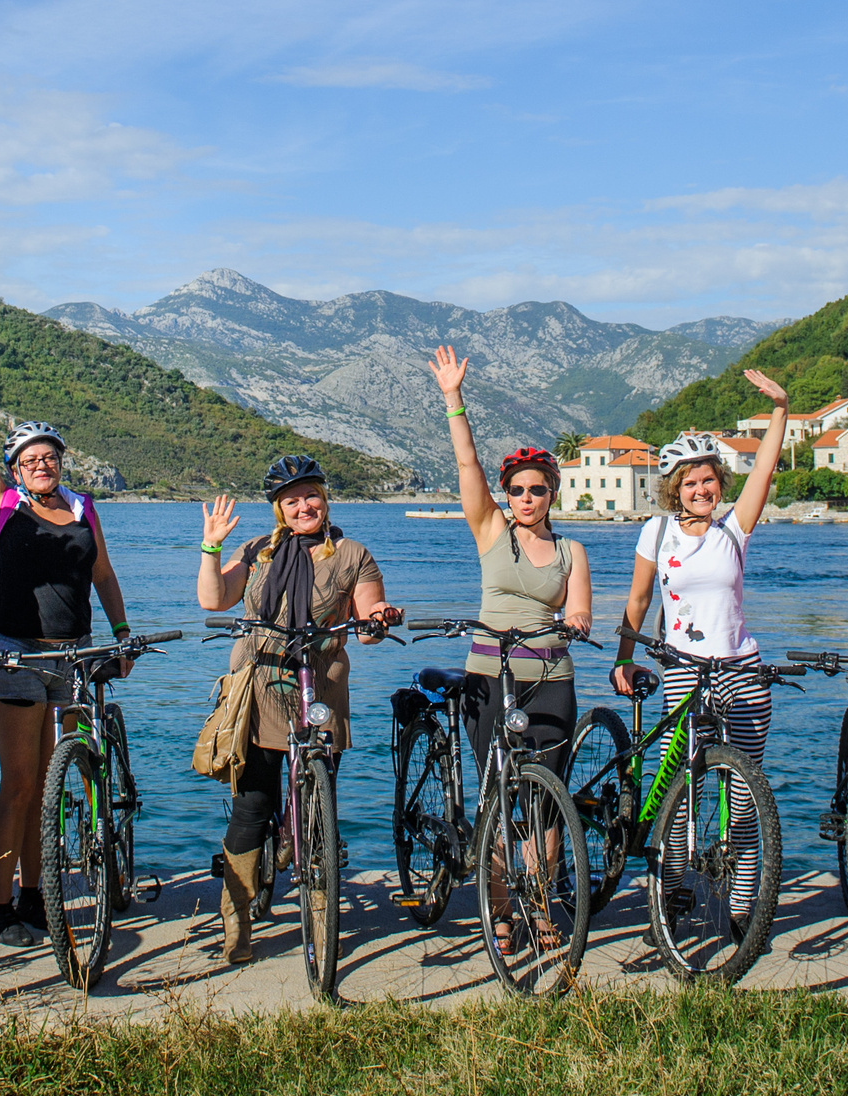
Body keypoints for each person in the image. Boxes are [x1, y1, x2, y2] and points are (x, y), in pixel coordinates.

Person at [0, 322, 134, 950]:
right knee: (19, 781)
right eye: (29, 459)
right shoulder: (1, 505)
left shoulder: (81, 507)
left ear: (60, 463)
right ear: (17, 469)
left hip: (73, 651)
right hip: (15, 650)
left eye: (49, 456)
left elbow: (101, 571)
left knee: (57, 777)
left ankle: (37, 896)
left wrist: (123, 632)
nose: (40, 464)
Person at [608, 366, 793, 938]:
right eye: (690, 483)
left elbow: (762, 470)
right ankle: (678, 885)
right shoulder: (657, 534)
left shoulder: (734, 530)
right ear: (674, 488)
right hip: (683, 672)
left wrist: (781, 410)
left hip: (740, 669)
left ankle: (741, 905)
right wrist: (623, 656)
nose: (701, 490)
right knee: (679, 794)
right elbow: (638, 600)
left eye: (709, 481)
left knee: (742, 799)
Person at [196, 455, 401, 964]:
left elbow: (369, 613)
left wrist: (379, 617)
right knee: (254, 805)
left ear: (325, 499)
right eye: (291, 500)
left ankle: (321, 918)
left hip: (321, 685)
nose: (303, 506)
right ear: (278, 509)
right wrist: (212, 545)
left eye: (311, 495)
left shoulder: (352, 554)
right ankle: (237, 924)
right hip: (260, 682)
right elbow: (213, 598)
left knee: (319, 802)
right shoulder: (258, 551)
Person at [428, 344, 592, 947]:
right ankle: (499, 910)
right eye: (518, 489)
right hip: (488, 677)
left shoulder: (573, 552)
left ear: (553, 493)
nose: (527, 498)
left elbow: (579, 608)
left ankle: (543, 906)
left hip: (552, 678)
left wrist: (575, 621)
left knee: (546, 806)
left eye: (538, 489)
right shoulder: (491, 530)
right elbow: (468, 466)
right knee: (499, 793)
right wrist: (453, 398)